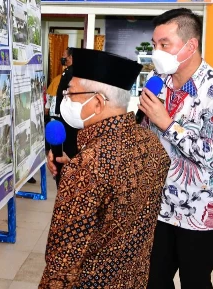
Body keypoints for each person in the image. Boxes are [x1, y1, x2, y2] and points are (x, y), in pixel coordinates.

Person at [40, 49, 171, 289]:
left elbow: (63, 261)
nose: (65, 97)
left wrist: (77, 176)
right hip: (134, 278)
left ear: (98, 102)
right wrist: (77, 172)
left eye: (71, 92)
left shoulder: (88, 166)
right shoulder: (152, 143)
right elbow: (119, 193)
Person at [138, 8, 213, 289]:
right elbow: (144, 139)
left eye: (164, 44)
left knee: (195, 281)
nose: (156, 52)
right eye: (154, 44)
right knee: (153, 280)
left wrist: (167, 123)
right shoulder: (158, 86)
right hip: (157, 207)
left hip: (199, 212)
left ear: (190, 45)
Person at [50, 47, 78, 187]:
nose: (63, 59)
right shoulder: (67, 71)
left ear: (71, 57)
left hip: (69, 118)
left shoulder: (72, 72)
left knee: (68, 147)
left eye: (64, 57)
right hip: (63, 114)